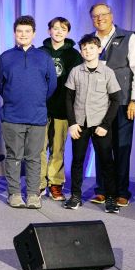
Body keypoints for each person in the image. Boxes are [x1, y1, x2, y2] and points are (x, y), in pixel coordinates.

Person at [89, 3, 135, 207]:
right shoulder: (91, 41)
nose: (100, 18)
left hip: (123, 103)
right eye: (95, 16)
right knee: (101, 148)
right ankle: (102, 190)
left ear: (111, 16)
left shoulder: (128, 37)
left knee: (121, 147)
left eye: (103, 14)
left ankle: (122, 191)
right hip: (98, 105)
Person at [0, 15, 57, 209]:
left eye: (27, 31)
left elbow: (51, 86)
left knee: (33, 157)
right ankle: (14, 193)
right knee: (14, 157)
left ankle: (33, 194)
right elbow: (0, 85)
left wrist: (36, 101)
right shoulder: (5, 57)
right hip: (12, 116)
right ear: (15, 33)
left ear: (34, 34)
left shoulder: (44, 57)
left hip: (37, 116)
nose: (23, 34)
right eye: (19, 31)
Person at [63, 34, 122, 213]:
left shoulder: (107, 72)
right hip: (80, 124)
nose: (87, 51)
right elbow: (68, 98)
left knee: (106, 161)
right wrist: (72, 123)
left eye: (91, 48)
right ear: (81, 52)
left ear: (99, 50)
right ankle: (75, 196)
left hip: (100, 124)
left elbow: (116, 100)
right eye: (84, 48)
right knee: (77, 161)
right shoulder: (75, 71)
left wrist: (105, 125)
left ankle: (111, 198)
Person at [38, 17, 83, 201]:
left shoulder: (74, 55)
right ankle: (38, 183)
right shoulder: (39, 52)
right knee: (39, 148)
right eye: (55, 28)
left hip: (63, 108)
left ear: (67, 32)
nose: (58, 31)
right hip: (41, 108)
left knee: (58, 148)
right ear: (49, 31)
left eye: (62, 29)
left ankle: (55, 183)